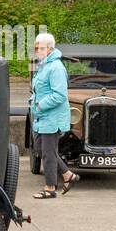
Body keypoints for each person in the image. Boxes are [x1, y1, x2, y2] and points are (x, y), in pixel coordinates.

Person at [29, 33, 78, 198]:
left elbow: (59, 95)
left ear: (50, 49)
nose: (38, 50)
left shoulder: (56, 67)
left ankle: (50, 188)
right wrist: (33, 100)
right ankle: (68, 175)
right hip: (42, 116)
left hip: (52, 117)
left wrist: (40, 105)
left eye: (41, 47)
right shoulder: (44, 65)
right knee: (39, 148)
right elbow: (39, 89)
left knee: (48, 153)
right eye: (36, 47)